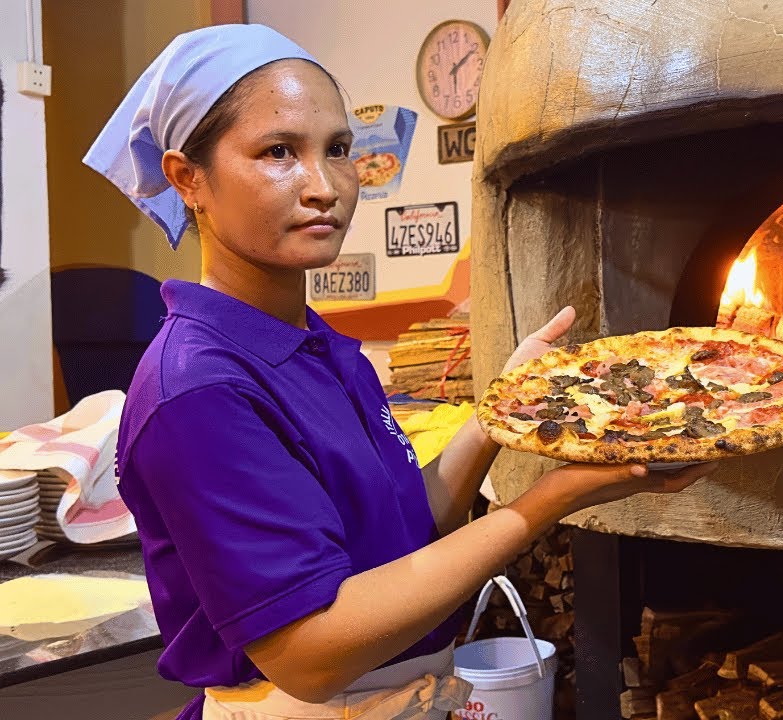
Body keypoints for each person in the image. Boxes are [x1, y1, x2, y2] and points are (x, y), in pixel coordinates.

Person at [84, 24, 714, 720]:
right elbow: (313, 652)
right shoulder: (199, 390)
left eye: (339, 149)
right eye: (277, 152)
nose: (323, 186)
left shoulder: (312, 345)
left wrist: (501, 412)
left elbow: (403, 530)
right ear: (187, 178)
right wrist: (549, 500)